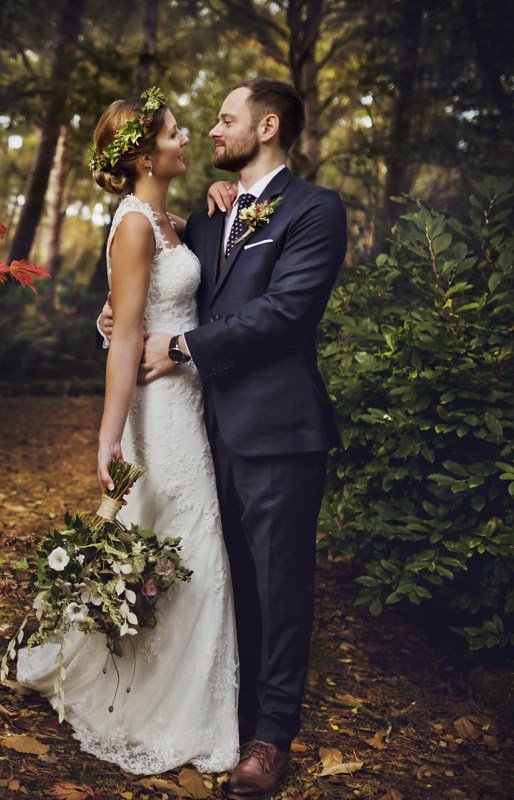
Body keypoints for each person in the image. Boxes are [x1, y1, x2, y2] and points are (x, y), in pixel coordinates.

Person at [98, 78, 348, 800]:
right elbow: (157, 285)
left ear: (266, 127)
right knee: (225, 577)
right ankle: (227, 709)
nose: (211, 130)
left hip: (278, 430)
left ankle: (271, 737)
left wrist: (180, 346)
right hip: (203, 430)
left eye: (225, 119)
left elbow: (285, 310)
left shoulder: (314, 210)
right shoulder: (209, 218)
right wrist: (112, 321)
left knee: (279, 582)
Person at [14, 87, 242, 777]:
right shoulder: (136, 226)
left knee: (185, 542)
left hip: (191, 398)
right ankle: (162, 705)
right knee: (186, 545)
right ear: (144, 155)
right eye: (174, 133)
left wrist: (222, 196)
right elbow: (124, 339)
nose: (186, 138)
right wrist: (108, 437)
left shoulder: (168, 220)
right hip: (159, 409)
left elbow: (151, 302)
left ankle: (188, 693)